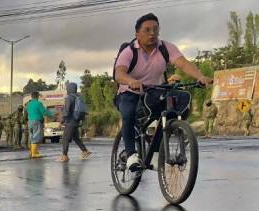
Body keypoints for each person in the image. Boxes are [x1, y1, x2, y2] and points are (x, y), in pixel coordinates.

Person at [114, 13, 212, 171]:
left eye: (155, 29)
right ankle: (131, 155)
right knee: (129, 114)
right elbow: (119, 73)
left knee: (181, 100)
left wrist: (200, 76)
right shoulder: (130, 51)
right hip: (129, 92)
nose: (152, 33)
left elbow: (183, 63)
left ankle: (162, 141)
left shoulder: (166, 48)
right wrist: (131, 81)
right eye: (147, 30)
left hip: (155, 91)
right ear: (137, 33)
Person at [57, 82, 91, 162]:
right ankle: (85, 151)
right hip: (76, 121)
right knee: (76, 138)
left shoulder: (69, 98)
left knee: (65, 138)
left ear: (69, 89)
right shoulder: (79, 97)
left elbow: (66, 111)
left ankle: (65, 156)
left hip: (70, 122)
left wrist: (62, 121)